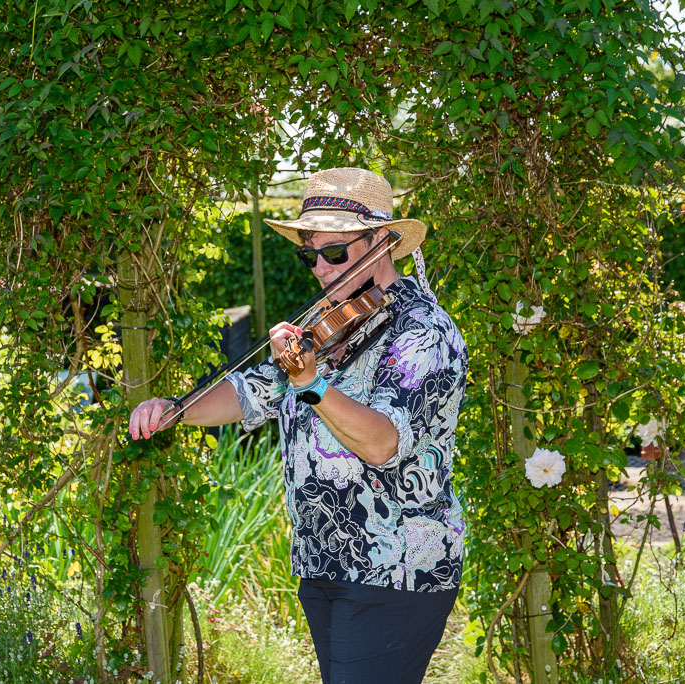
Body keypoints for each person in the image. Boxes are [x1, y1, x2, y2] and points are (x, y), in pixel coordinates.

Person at [128, 167, 468, 684]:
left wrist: (312, 385)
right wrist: (176, 408)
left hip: (396, 567)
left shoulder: (422, 330)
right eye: (311, 255)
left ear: (383, 242)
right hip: (326, 561)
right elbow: (250, 392)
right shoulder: (326, 328)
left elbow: (382, 442)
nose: (322, 269)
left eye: (336, 253)